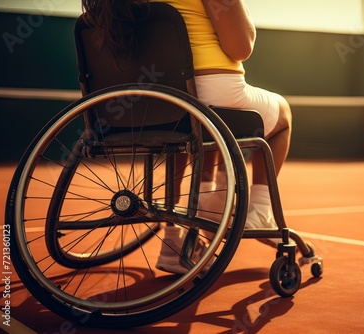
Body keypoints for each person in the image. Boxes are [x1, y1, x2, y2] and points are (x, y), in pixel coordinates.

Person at [81, 0, 292, 273]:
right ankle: (260, 212)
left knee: (185, 123)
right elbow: (241, 47)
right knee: (282, 116)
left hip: (135, 101)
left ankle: (178, 234)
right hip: (209, 93)